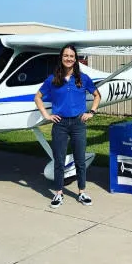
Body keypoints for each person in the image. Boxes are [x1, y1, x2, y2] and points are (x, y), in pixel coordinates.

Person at [34, 44, 101, 209]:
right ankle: (58, 193)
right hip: (60, 124)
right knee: (59, 161)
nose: (69, 59)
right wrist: (46, 116)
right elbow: (38, 97)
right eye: (66, 56)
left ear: (75, 59)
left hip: (78, 123)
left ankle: (82, 192)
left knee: (80, 160)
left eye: (71, 56)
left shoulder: (83, 78)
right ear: (61, 58)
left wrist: (91, 111)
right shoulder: (52, 79)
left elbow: (97, 95)